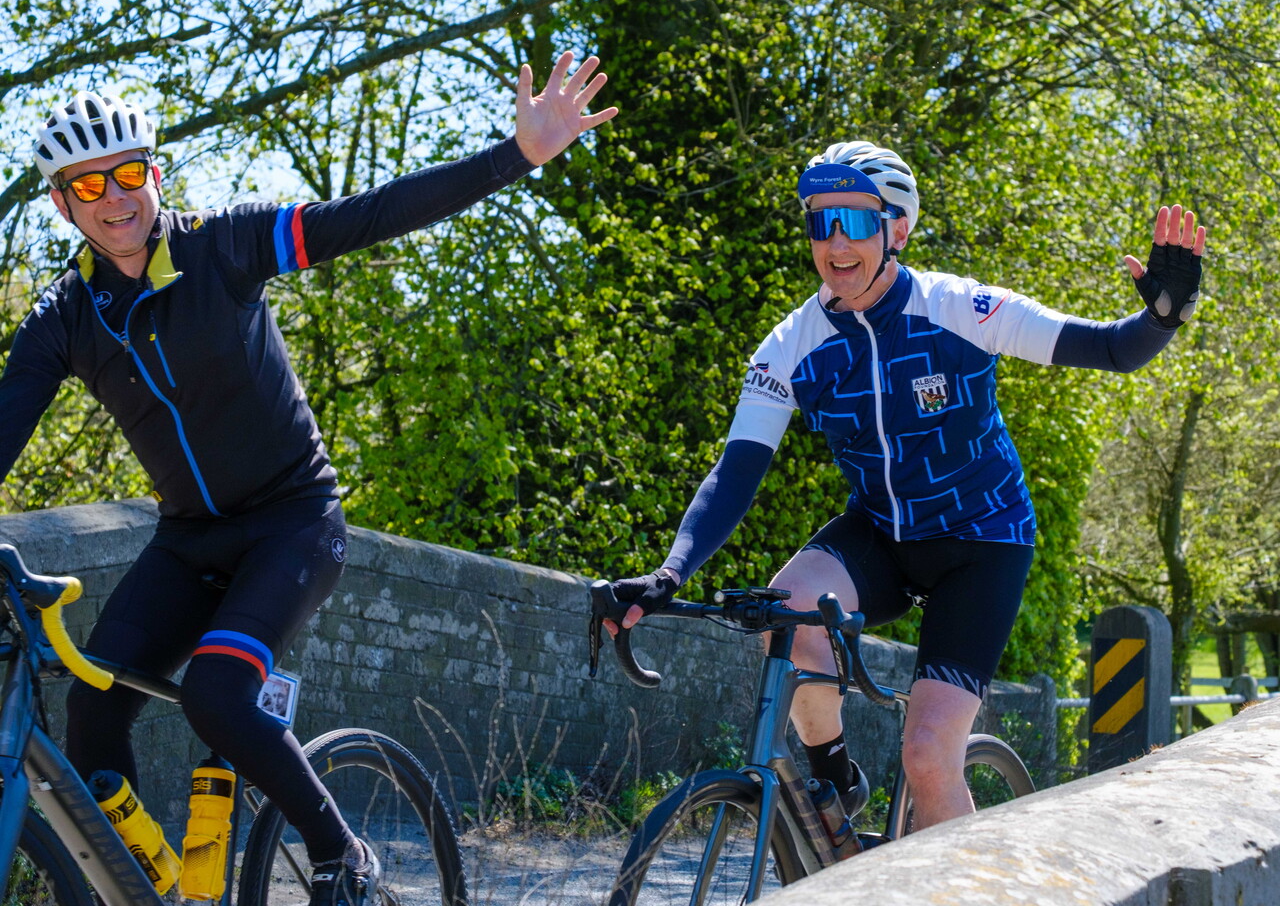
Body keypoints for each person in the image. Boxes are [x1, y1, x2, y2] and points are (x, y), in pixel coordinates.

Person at [0, 51, 616, 906]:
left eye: (129, 171)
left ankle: (343, 855)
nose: (116, 198)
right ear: (63, 203)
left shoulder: (222, 245)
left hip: (294, 523)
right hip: (188, 538)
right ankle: (151, 889)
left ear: (155, 172)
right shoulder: (64, 317)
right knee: (89, 717)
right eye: (89, 184)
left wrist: (518, 154)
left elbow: (369, 215)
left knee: (219, 695)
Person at [601, 140, 1205, 834]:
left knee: (926, 758)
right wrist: (672, 570)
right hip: (883, 533)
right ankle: (834, 786)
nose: (835, 244)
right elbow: (737, 469)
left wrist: (1162, 317)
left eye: (854, 222)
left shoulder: (962, 308)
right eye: (818, 223)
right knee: (786, 619)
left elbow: (1109, 348)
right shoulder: (790, 345)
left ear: (897, 230)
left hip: (982, 541)